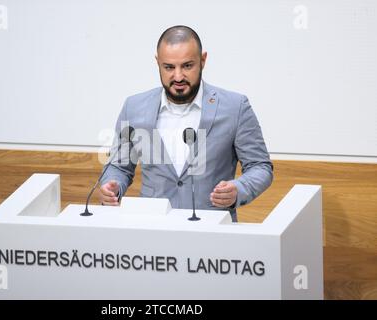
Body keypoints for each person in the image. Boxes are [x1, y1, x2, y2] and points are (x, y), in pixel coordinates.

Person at [99, 25, 273, 222]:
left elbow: (260, 167)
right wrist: (112, 186)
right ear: (158, 63)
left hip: (213, 234)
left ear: (203, 60)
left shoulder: (235, 107)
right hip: (151, 231)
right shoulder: (134, 107)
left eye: (187, 66)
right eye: (169, 67)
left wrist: (238, 190)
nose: (178, 76)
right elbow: (119, 166)